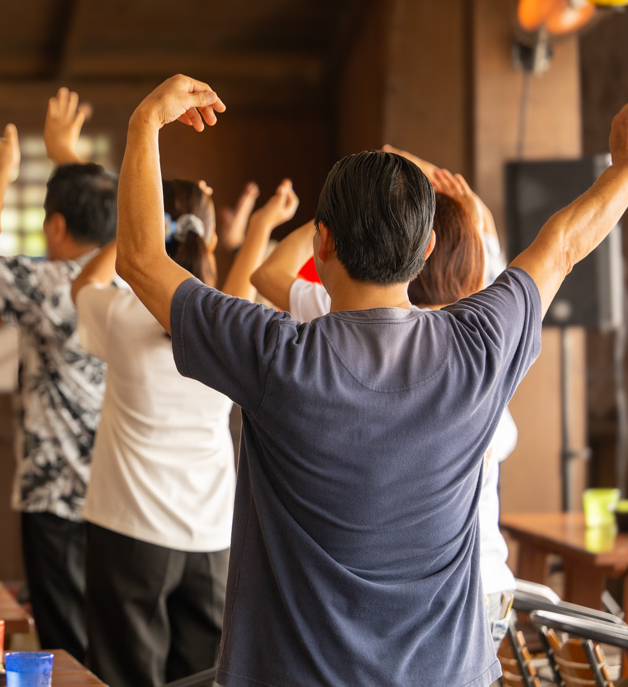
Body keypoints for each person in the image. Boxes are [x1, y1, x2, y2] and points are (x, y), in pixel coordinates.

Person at [114, 73, 628, 687]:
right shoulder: (479, 346)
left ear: (322, 243)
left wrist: (145, 123)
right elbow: (562, 246)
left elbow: (141, 261)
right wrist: (623, 171)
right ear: (427, 246)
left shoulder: (275, 355)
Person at [251, 164, 520, 648]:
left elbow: (265, 274)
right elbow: (522, 267)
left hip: (400, 594)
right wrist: (478, 216)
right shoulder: (485, 337)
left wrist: (336, 218)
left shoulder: (340, 314)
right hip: (484, 586)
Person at [73, 177, 297, 687]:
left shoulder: (122, 315)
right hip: (212, 536)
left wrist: (132, 237)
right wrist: (260, 227)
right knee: (201, 680)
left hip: (127, 529)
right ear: (211, 240)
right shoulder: (232, 326)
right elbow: (235, 295)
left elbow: (82, 286)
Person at [0, 87, 117, 662]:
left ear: (55, 227)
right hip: (126, 492)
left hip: (56, 492)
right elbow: (120, 210)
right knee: (119, 642)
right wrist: (67, 156)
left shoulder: (52, 286)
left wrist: (2, 175)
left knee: (67, 646)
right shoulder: (135, 276)